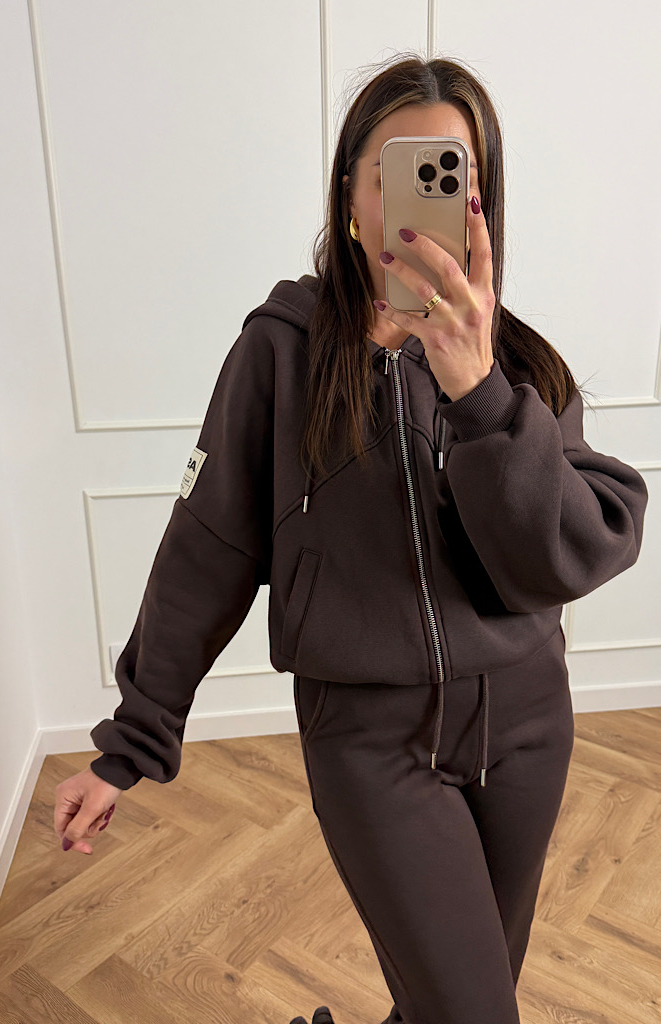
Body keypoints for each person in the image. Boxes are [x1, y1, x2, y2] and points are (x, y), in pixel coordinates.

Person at [54, 54, 649, 1024]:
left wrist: (477, 394)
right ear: (350, 196)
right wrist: (131, 743)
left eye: (453, 174)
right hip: (369, 741)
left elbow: (564, 555)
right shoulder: (280, 352)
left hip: (527, 724)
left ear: (481, 203)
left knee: (452, 1000)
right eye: (399, 170)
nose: (424, 198)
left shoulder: (516, 365)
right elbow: (207, 548)